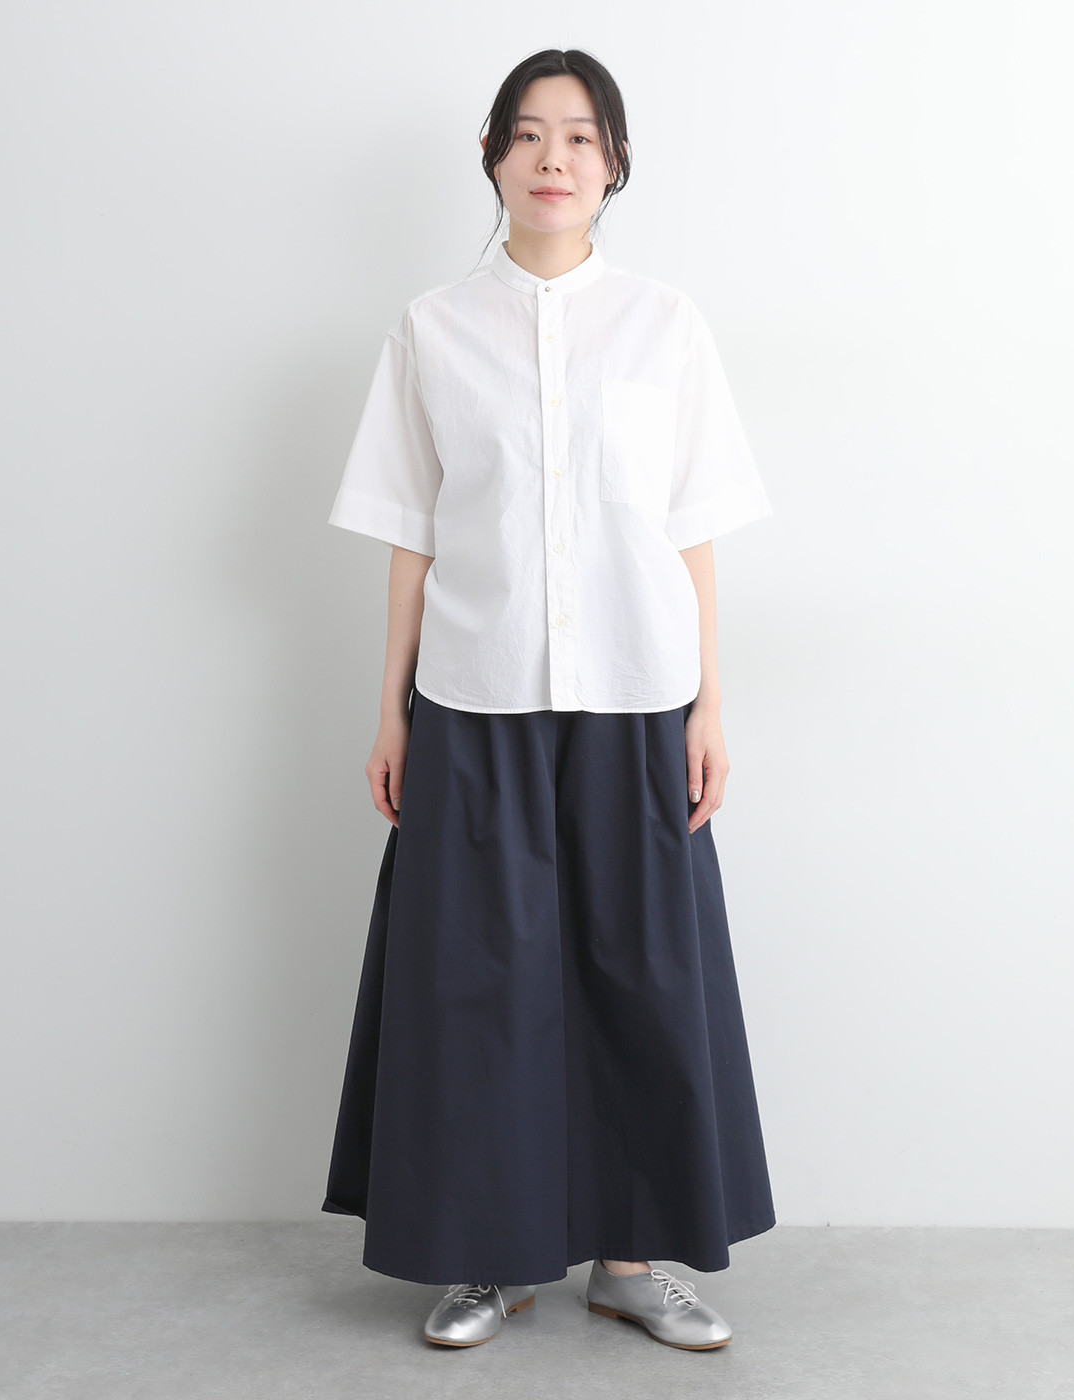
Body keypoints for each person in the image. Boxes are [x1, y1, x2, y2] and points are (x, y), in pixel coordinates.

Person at [321, 48, 777, 1351]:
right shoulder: (431, 330)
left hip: (639, 693)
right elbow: (411, 531)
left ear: (614, 163)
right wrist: (392, 710)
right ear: (493, 157)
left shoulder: (665, 326)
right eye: (528, 135)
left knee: (641, 975)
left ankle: (629, 1261)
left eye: (579, 137)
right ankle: (491, 1254)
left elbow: (691, 529)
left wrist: (710, 706)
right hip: (476, 695)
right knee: (480, 980)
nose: (553, 159)